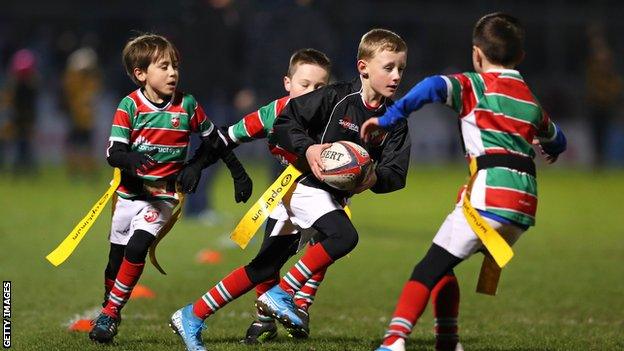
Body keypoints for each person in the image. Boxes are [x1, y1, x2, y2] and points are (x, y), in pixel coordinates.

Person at [171, 28, 411, 351]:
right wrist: (310, 149)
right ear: (363, 67)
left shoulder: (396, 121)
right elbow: (277, 126)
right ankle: (281, 299)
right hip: (301, 187)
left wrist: (373, 178)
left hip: (322, 195)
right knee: (343, 236)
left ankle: (192, 315)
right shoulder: (330, 99)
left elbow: (396, 173)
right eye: (389, 67)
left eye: (401, 69)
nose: (396, 76)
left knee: (264, 267)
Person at [359, 13, 567, 351]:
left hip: (490, 196)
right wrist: (552, 147)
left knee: (427, 268)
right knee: (444, 265)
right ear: (521, 58)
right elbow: (558, 139)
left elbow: (431, 87)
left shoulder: (475, 85)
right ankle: (448, 340)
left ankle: (394, 341)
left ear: (476, 54)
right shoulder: (529, 99)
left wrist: (389, 117)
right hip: (524, 207)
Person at [88, 34, 251, 344]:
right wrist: (129, 157)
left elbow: (214, 140)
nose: (173, 73)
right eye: (163, 66)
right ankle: (112, 307)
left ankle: (108, 316)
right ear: (141, 74)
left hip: (163, 196)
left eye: (175, 66)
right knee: (115, 259)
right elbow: (113, 152)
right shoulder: (130, 105)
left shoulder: (187, 105)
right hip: (129, 194)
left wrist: (236, 171)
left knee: (137, 247)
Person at [169, 48, 332, 349]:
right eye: (304, 84)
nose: (311, 92)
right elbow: (226, 137)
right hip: (286, 196)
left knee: (331, 236)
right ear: (287, 82)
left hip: (322, 196)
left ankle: (295, 308)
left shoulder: (334, 114)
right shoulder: (273, 113)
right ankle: (258, 316)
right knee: (265, 268)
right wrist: (196, 165)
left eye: (319, 87)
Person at [62, 46, 101, 178]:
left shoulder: (86, 81)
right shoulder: (82, 81)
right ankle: (80, 172)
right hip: (79, 119)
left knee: (82, 147)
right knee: (79, 147)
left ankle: (84, 172)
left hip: (83, 120)